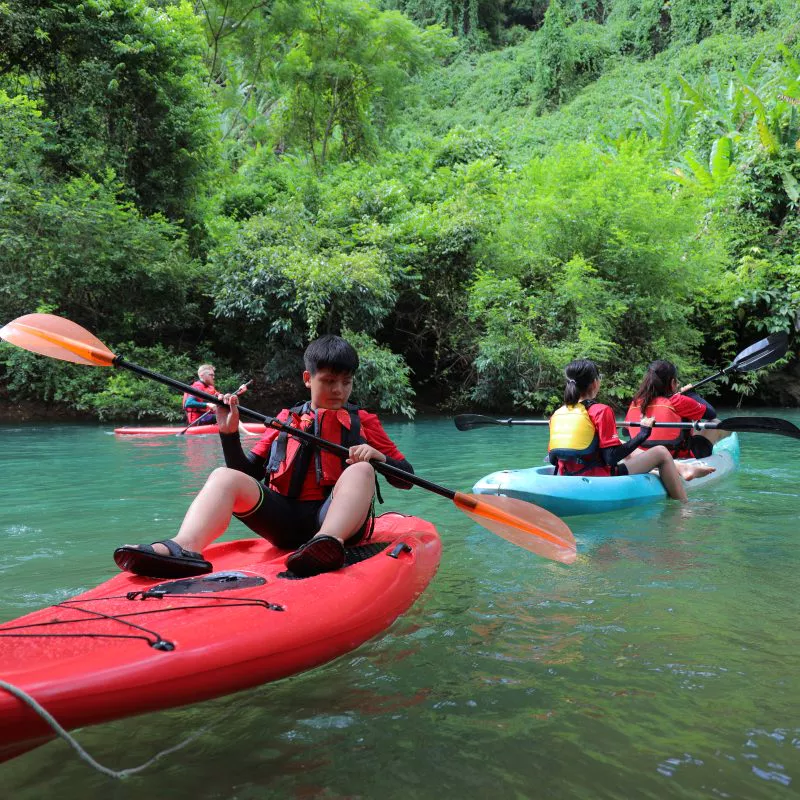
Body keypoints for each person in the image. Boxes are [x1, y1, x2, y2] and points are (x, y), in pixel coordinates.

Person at [114, 335, 414, 579]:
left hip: (338, 527)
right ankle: (184, 547)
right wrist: (228, 435)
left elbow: (407, 479)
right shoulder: (285, 419)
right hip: (285, 523)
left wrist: (379, 459)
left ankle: (326, 543)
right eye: (329, 381)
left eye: (346, 382)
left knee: (361, 470)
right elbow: (246, 473)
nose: (338, 390)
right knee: (223, 476)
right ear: (308, 379)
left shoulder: (364, 421)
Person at [547, 359, 713, 502]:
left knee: (620, 443)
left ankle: (677, 468)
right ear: (595, 383)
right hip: (601, 477)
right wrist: (643, 433)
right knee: (661, 452)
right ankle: (684, 505)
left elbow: (554, 458)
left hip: (566, 474)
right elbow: (611, 458)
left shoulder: (558, 413)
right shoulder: (601, 410)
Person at [624, 360, 723, 459]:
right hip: (677, 457)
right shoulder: (677, 401)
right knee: (715, 422)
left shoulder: (636, 403)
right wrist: (692, 394)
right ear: (672, 383)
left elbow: (625, 432)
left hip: (643, 457)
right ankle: (720, 449)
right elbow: (711, 414)